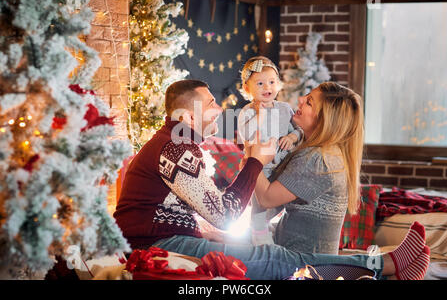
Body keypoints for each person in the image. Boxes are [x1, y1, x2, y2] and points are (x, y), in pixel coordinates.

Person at [113, 79, 430, 280]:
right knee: (275, 260)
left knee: (277, 259)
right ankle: (381, 266)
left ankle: (380, 266)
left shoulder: (177, 145)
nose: (219, 107)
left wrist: (253, 157)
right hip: (151, 244)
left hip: (156, 239)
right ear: (188, 116)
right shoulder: (176, 148)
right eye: (211, 103)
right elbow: (227, 214)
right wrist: (253, 160)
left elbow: (224, 210)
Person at [251, 82, 362, 255]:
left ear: (324, 120)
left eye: (309, 102)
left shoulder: (318, 160)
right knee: (219, 242)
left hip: (300, 264)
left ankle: (384, 264)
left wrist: (252, 161)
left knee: (204, 248)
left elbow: (266, 198)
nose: (301, 99)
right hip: (295, 254)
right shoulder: (326, 154)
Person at [237, 56, 303, 246]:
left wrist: (292, 137)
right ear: (248, 89)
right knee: (259, 211)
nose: (267, 87)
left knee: (282, 207)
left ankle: (274, 233)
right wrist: (260, 114)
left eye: (272, 82)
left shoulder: (284, 109)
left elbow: (298, 131)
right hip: (261, 171)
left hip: (285, 168)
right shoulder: (247, 112)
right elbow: (248, 136)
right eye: (260, 83)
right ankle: (260, 243)